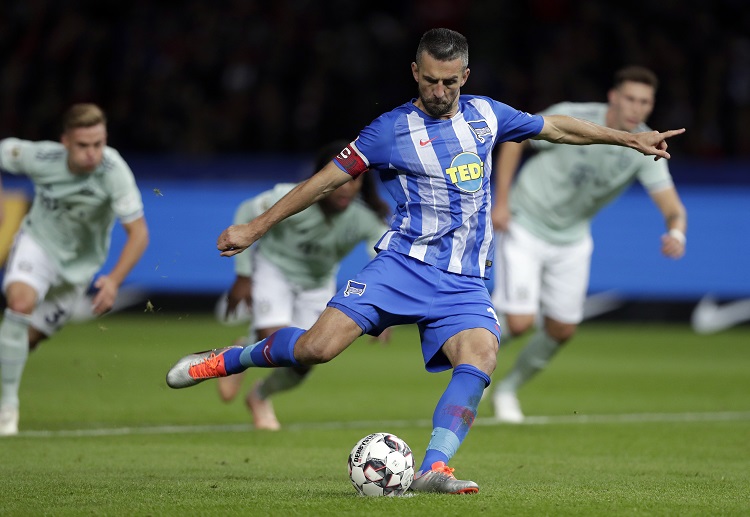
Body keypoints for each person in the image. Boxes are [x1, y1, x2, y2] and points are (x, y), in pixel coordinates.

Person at [166, 28, 685, 494]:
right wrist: (256, 227)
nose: (439, 93)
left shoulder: (487, 114)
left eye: (449, 83)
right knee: (314, 350)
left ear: (465, 76)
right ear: (415, 72)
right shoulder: (388, 131)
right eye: (430, 81)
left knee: (480, 357)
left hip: (463, 281)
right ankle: (225, 360)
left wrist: (629, 140)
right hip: (401, 267)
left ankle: (434, 469)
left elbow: (557, 128)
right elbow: (326, 180)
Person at [489, 66, 687, 423]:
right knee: (519, 322)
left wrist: (677, 232)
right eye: (630, 97)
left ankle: (507, 389)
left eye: (644, 101)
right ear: (613, 96)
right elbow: (514, 138)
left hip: (572, 238)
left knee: (562, 329)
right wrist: (501, 201)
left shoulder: (646, 144)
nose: (636, 107)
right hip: (525, 222)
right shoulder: (576, 116)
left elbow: (673, 208)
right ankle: (474, 362)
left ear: (651, 105)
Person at [216, 140, 390, 430]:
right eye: (342, 179)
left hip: (317, 283)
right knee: (275, 337)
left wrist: (382, 308)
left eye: (355, 179)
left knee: (308, 355)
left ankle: (259, 395)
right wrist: (243, 275)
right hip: (275, 269)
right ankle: (244, 349)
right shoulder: (291, 196)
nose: (347, 186)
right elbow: (248, 212)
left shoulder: (365, 219)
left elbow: (386, 259)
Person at [0, 103, 149, 436]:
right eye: (83, 145)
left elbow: (139, 233)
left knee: (25, 341)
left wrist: (113, 280)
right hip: (38, 244)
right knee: (19, 306)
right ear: (65, 141)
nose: (92, 154)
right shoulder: (40, 157)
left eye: (98, 144)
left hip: (80, 268)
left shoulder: (114, 171)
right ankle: (7, 408)